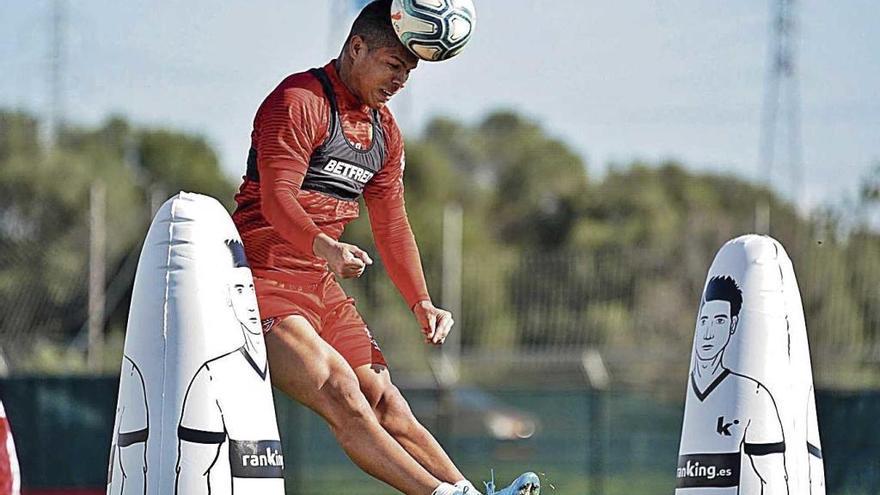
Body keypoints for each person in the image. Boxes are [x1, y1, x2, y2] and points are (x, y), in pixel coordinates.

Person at [231, 1, 538, 494]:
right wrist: (324, 244)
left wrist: (421, 300)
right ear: (357, 47)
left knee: (387, 403)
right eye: (394, 65)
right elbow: (275, 197)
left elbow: (392, 223)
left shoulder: (384, 131)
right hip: (261, 283)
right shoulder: (299, 101)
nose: (401, 81)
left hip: (320, 286)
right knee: (343, 393)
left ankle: (472, 493)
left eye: (410, 71)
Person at [676, 275, 788, 494]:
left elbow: (773, 479)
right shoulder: (691, 396)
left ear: (732, 324)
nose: (708, 334)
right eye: (704, 321)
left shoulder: (754, 395)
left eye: (719, 321)